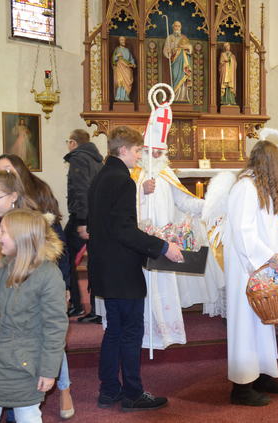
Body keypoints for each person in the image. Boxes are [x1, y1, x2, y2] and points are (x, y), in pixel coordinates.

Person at [87, 126, 182, 412]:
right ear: (124, 150)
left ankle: (108, 391)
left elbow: (105, 225)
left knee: (114, 331)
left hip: (105, 267)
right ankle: (133, 393)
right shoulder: (123, 181)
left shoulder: (101, 176)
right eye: (138, 150)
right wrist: (163, 247)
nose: (140, 156)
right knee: (130, 332)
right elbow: (124, 230)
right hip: (122, 271)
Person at [0, 169, 75, 421]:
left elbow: (54, 326)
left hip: (24, 364)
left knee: (27, 416)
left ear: (22, 238)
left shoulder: (47, 274)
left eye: (3, 232)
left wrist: (49, 370)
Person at [132, 148, 223, 348]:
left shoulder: (166, 172)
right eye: (153, 151)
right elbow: (124, 206)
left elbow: (184, 202)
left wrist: (210, 205)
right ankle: (145, 334)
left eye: (160, 151)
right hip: (141, 242)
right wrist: (141, 192)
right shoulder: (134, 174)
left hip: (165, 243)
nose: (157, 155)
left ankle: (166, 334)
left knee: (164, 286)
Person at [225, 140, 278, 407]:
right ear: (269, 164)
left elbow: (272, 225)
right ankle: (241, 387)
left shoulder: (260, 187)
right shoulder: (245, 187)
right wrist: (268, 256)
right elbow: (243, 231)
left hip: (263, 266)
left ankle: (262, 375)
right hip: (247, 268)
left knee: (262, 324)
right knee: (246, 326)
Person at [62, 129, 103, 318]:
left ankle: (75, 303)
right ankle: (97, 309)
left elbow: (80, 190)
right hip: (96, 216)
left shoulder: (78, 158)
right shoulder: (97, 159)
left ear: (73, 143)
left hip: (82, 217)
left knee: (63, 256)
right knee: (95, 260)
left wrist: (82, 221)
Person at [163, 20, 193, 103]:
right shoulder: (169, 38)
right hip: (175, 60)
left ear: (181, 27)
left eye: (179, 26)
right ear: (173, 27)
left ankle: (183, 97)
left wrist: (187, 47)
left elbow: (190, 48)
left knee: (183, 77)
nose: (177, 27)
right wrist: (168, 53)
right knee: (175, 76)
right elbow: (165, 49)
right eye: (176, 26)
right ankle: (174, 96)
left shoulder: (184, 38)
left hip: (183, 60)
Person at [112, 36, 136, 102]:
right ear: (119, 41)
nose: (123, 41)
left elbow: (131, 59)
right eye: (121, 40)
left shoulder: (127, 50)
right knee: (120, 81)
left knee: (128, 82)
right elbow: (113, 60)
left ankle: (126, 96)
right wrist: (117, 56)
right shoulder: (117, 49)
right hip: (120, 67)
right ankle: (119, 97)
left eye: (124, 40)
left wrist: (133, 63)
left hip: (127, 68)